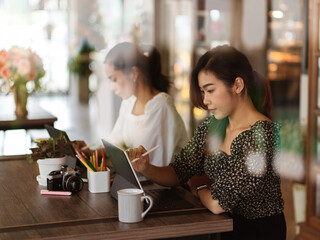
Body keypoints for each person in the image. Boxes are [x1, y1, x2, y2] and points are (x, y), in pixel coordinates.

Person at [127, 45, 286, 240]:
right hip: (218, 227)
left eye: (210, 91)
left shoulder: (263, 136)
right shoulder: (214, 124)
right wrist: (147, 168)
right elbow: (178, 171)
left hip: (255, 232)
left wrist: (198, 186)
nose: (205, 101)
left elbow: (217, 203)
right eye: (203, 92)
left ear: (237, 85)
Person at [77, 42, 187, 167]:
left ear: (134, 74)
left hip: (161, 183)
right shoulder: (129, 102)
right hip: (140, 179)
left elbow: (156, 163)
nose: (112, 88)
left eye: (114, 79)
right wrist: (91, 152)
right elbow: (115, 141)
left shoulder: (160, 106)